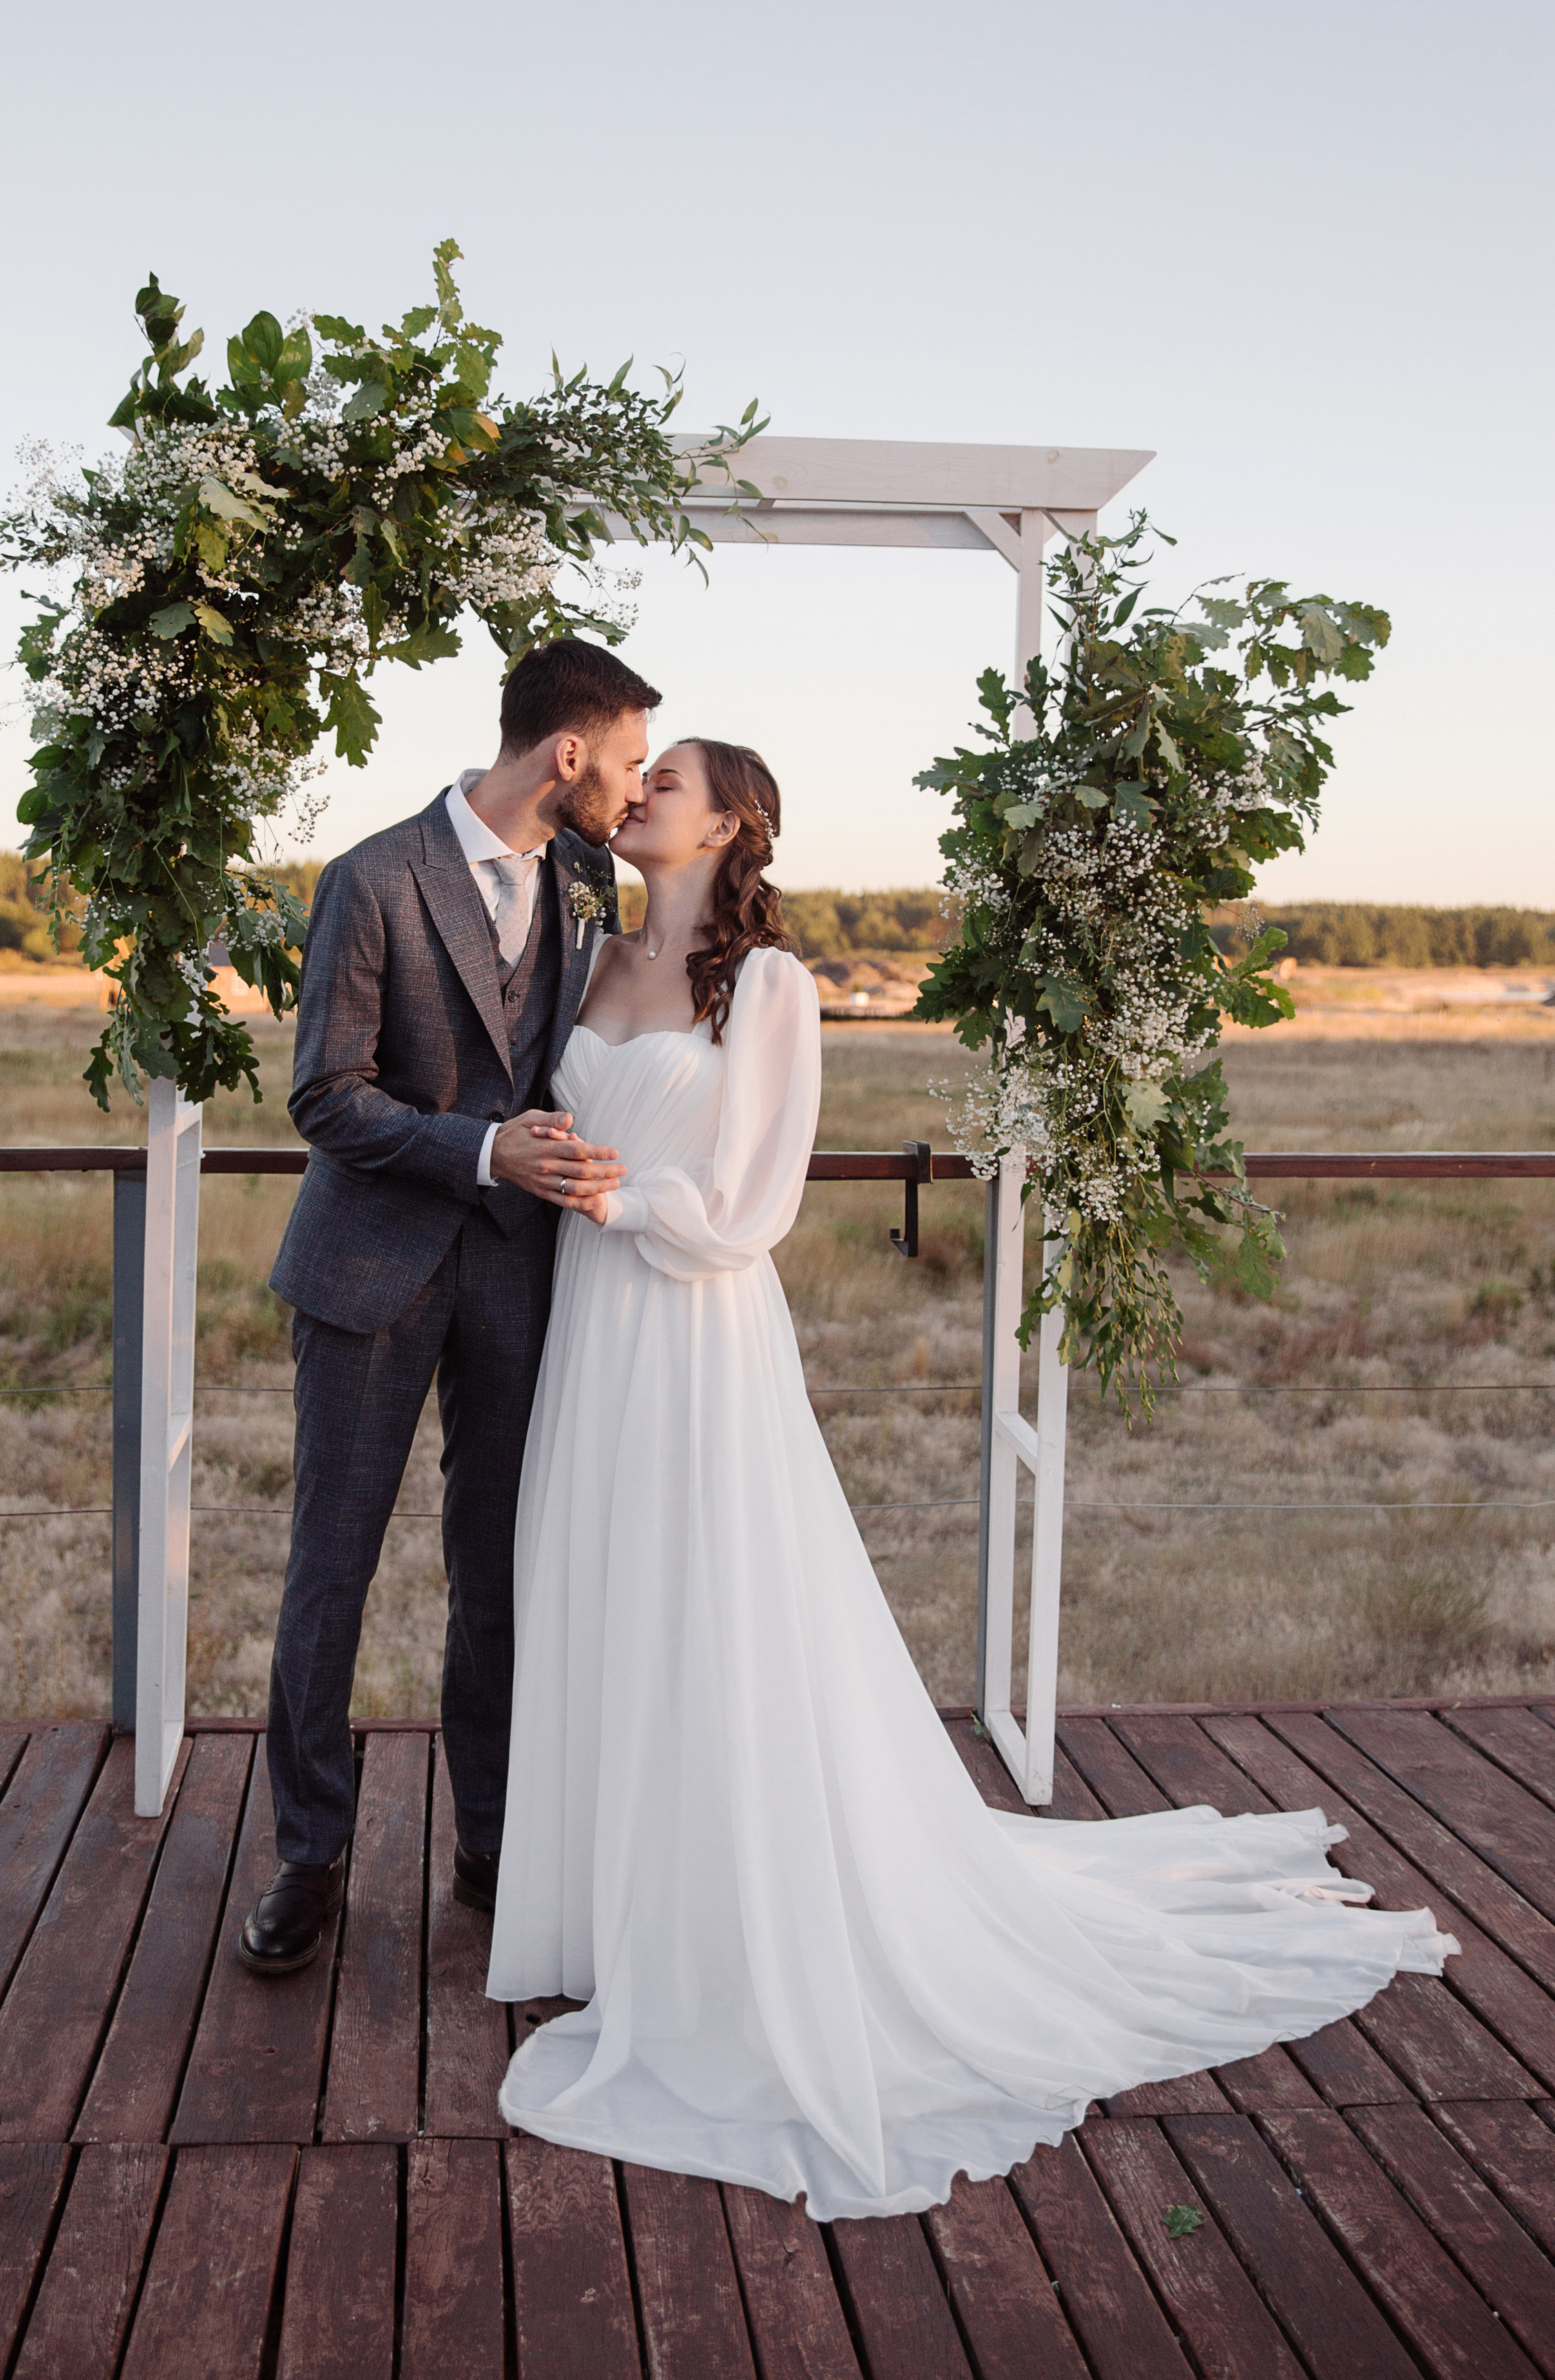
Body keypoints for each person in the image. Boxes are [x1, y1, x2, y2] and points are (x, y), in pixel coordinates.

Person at [486, 735, 1457, 2219]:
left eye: (667, 779)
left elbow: (753, 1205)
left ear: (733, 819)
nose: (639, 797)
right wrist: (555, 1165)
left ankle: (732, 1921)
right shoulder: (592, 956)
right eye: (640, 776)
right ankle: (619, 1915)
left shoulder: (770, 986)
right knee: (601, 1588)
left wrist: (612, 1188)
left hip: (688, 1320)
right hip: (588, 1325)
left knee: (711, 1604)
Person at [239, 638, 661, 1975]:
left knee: (500, 1572)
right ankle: (309, 1853)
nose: (638, 792)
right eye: (633, 762)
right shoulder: (369, 878)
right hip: (371, 1266)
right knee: (332, 1572)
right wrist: (484, 1151)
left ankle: (491, 1839)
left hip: (519, 1273)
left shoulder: (592, 882)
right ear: (569, 753)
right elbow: (325, 1095)